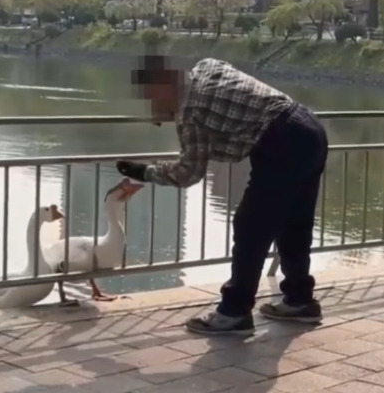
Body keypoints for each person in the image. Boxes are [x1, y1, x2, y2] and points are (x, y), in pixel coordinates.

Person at [117, 56, 328, 336]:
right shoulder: (207, 66)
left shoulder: (191, 114)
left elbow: (188, 173)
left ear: (162, 87)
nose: (152, 106)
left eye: (151, 97)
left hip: (281, 142)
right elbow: (231, 108)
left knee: (250, 227)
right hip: (308, 128)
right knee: (294, 223)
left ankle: (234, 313)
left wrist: (145, 172)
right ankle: (300, 300)